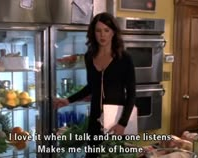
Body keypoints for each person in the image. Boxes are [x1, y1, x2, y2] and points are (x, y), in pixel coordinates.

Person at [53, 12, 136, 158]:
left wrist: (122, 123)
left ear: (113, 32)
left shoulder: (124, 58)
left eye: (106, 30)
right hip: (95, 120)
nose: (102, 35)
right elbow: (91, 87)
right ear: (93, 33)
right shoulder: (89, 57)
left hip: (116, 120)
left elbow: (131, 94)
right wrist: (68, 100)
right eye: (98, 31)